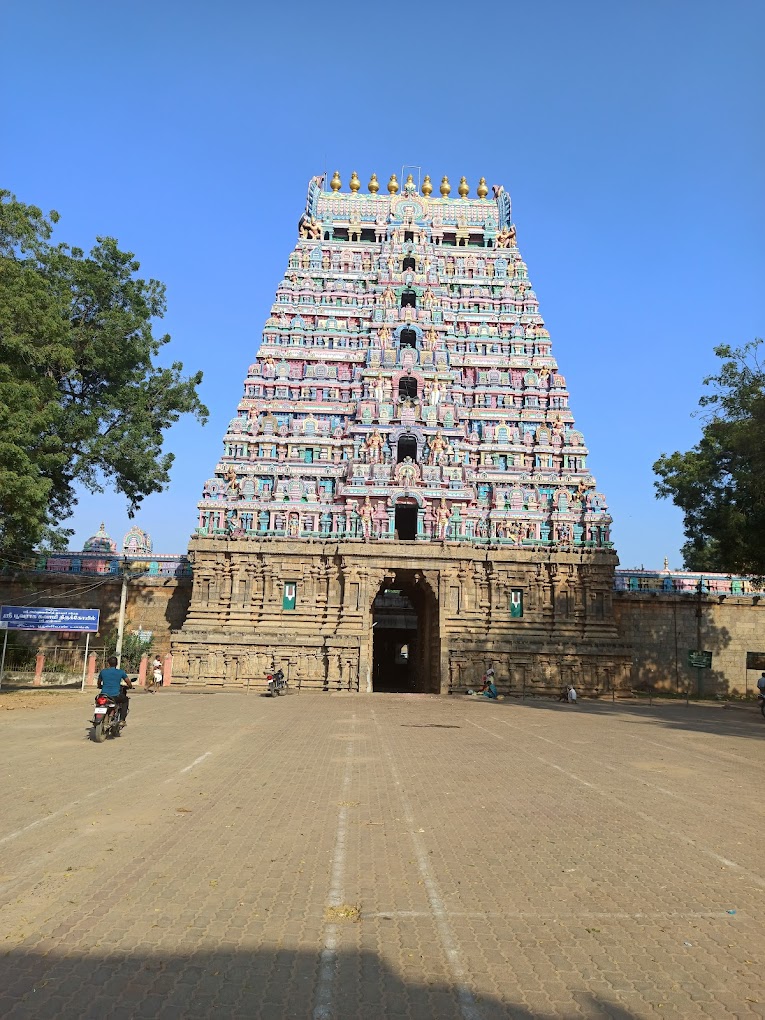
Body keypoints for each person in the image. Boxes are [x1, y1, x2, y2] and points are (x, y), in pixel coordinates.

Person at [97, 656, 133, 725]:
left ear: (108, 664)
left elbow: (99, 682)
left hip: (103, 695)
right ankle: (122, 720)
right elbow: (128, 682)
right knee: (125, 700)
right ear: (117, 664)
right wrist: (130, 686)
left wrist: (99, 686)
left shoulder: (103, 672)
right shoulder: (121, 672)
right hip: (115, 695)